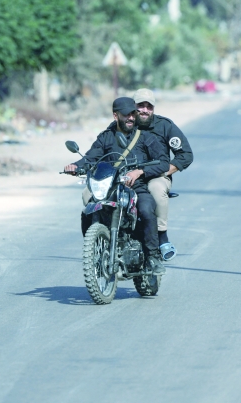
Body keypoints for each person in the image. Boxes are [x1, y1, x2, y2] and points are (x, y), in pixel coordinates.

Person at [65, 97, 170, 273]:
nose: (130, 118)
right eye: (126, 115)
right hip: (110, 187)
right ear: (116, 116)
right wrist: (76, 166)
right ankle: (95, 250)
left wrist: (139, 172)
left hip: (136, 187)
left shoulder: (146, 137)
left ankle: (153, 256)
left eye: (133, 114)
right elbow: (91, 157)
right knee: (88, 210)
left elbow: (163, 162)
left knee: (145, 210)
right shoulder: (106, 137)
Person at [132, 88, 193, 260]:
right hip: (128, 176)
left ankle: (162, 237)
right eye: (140, 105)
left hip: (157, 176)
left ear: (153, 108)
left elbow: (185, 155)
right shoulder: (124, 125)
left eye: (148, 106)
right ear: (133, 106)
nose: (144, 110)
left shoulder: (165, 126)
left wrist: (166, 171)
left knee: (157, 190)